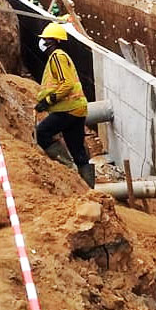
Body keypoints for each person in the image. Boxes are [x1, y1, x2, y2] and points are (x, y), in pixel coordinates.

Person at [34, 22, 93, 187]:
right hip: (76, 109)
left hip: (68, 109)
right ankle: (89, 189)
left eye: (45, 39)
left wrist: (48, 101)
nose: (42, 42)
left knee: (41, 133)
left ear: (53, 41)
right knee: (78, 151)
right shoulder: (60, 56)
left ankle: (68, 169)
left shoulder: (57, 57)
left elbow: (66, 84)